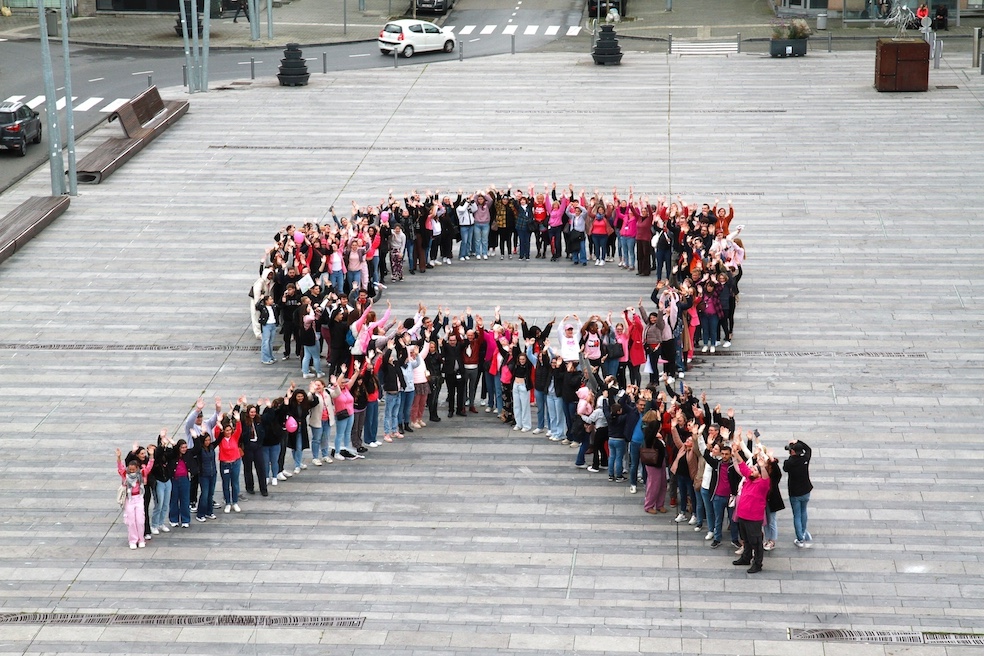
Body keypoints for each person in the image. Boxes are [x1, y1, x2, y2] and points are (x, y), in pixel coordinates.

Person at [731, 439, 770, 574]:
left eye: (754, 469)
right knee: (746, 539)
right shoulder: (749, 478)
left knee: (756, 541)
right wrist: (735, 452)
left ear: (759, 473)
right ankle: (746, 557)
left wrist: (762, 466)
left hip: (754, 518)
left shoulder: (762, 484)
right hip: (743, 514)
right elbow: (742, 465)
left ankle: (757, 563)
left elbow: (765, 477)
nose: (751, 470)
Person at [117, 445, 155, 549]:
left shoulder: (142, 473)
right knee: (131, 521)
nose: (132, 472)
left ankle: (141, 539)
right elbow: (120, 468)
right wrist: (119, 458)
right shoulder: (125, 474)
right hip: (129, 499)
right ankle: (133, 540)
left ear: (137, 468)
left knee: (140, 520)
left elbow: (149, 466)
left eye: (134, 470)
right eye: (130, 470)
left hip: (138, 498)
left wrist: (151, 455)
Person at [784, 439, 813, 547]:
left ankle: (800, 538)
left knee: (797, 515)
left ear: (792, 452)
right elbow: (808, 449)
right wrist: (799, 441)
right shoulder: (805, 458)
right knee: (803, 511)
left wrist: (791, 455)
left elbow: (785, 468)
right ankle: (803, 531)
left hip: (795, 493)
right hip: (806, 490)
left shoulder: (789, 462)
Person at [256, 294, 278, 365]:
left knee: (271, 342)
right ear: (266, 301)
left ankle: (271, 356)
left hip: (273, 324)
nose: (272, 300)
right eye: (270, 299)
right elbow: (257, 306)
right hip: (266, 325)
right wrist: (260, 299)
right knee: (265, 341)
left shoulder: (273, 306)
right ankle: (265, 358)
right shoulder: (263, 307)